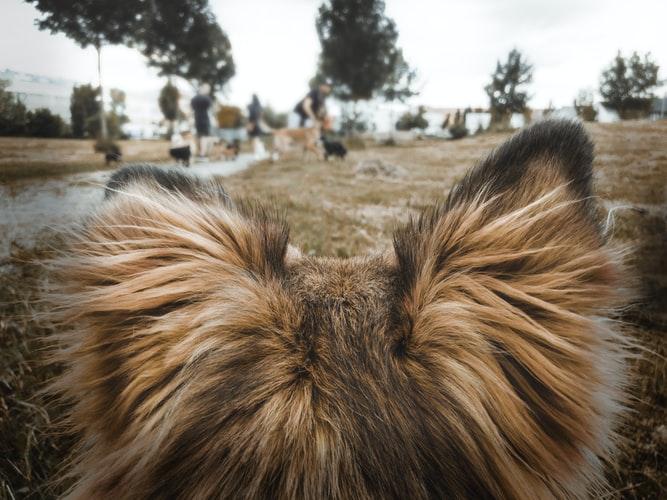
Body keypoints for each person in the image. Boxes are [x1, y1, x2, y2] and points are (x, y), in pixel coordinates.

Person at [190, 83, 213, 159]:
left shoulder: (194, 98)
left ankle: (198, 152)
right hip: (204, 119)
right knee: (204, 136)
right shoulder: (207, 98)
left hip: (196, 118)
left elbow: (192, 108)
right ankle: (202, 154)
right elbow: (210, 107)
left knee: (199, 136)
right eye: (207, 89)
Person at [247, 94, 267, 159]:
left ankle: (255, 154)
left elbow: (251, 117)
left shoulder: (250, 106)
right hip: (258, 124)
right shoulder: (260, 106)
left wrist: (250, 125)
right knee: (257, 139)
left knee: (254, 139)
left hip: (252, 124)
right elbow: (261, 116)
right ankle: (259, 153)